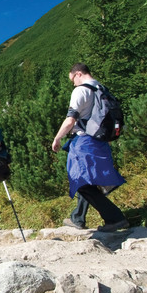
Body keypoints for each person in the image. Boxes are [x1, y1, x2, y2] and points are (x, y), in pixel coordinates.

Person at [51, 63, 130, 232]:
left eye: (72, 79)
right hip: (100, 141)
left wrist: (57, 138)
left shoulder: (81, 90)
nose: (73, 83)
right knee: (88, 180)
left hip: (84, 142)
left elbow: (71, 119)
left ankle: (115, 218)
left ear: (78, 74)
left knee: (81, 182)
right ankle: (78, 218)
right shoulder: (102, 88)